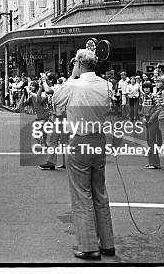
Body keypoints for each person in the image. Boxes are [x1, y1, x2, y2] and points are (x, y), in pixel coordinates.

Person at [56, 49, 116, 260]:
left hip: (79, 139)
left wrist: (72, 74)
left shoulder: (73, 84)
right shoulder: (106, 85)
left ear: (79, 64)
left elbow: (56, 100)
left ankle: (89, 246)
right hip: (99, 139)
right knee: (100, 191)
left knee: (82, 194)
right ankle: (107, 243)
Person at [141, 81, 161, 169]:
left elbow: (159, 108)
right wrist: (144, 117)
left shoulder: (154, 96)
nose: (146, 89)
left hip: (153, 121)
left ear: (150, 88)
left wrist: (151, 118)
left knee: (152, 141)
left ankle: (155, 163)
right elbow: (143, 108)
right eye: (144, 88)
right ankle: (151, 162)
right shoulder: (144, 97)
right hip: (147, 120)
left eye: (147, 87)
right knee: (149, 141)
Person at [153, 77, 164, 150]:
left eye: (159, 82)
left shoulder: (163, 92)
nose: (157, 83)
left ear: (163, 83)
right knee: (161, 129)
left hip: (162, 111)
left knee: (163, 129)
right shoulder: (159, 91)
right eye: (156, 82)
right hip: (159, 111)